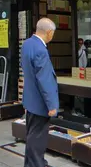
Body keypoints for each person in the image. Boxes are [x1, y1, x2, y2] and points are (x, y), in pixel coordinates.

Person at [21, 18, 59, 167]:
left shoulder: (27, 44)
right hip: (40, 102)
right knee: (37, 139)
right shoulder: (41, 50)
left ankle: (31, 164)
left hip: (30, 100)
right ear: (49, 33)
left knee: (31, 135)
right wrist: (52, 105)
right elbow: (45, 80)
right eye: (53, 33)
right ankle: (37, 164)